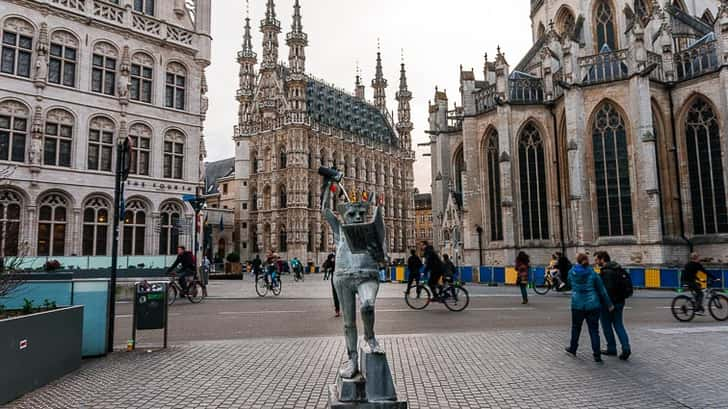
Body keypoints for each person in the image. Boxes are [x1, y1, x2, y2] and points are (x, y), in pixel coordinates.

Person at [565, 253, 613, 363]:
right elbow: (602, 290)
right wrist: (609, 304)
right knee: (594, 330)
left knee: (576, 328)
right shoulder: (593, 273)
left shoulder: (572, 272)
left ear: (577, 261)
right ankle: (597, 355)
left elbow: (568, 284)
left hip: (577, 304)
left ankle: (573, 349)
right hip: (593, 304)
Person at [594, 251, 631, 360]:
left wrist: (607, 303)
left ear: (602, 259)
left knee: (606, 326)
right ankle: (626, 348)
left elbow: (606, 291)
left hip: (609, 304)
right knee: (619, 325)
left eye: (597, 260)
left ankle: (611, 348)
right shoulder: (618, 268)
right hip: (620, 301)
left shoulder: (606, 272)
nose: (595, 262)